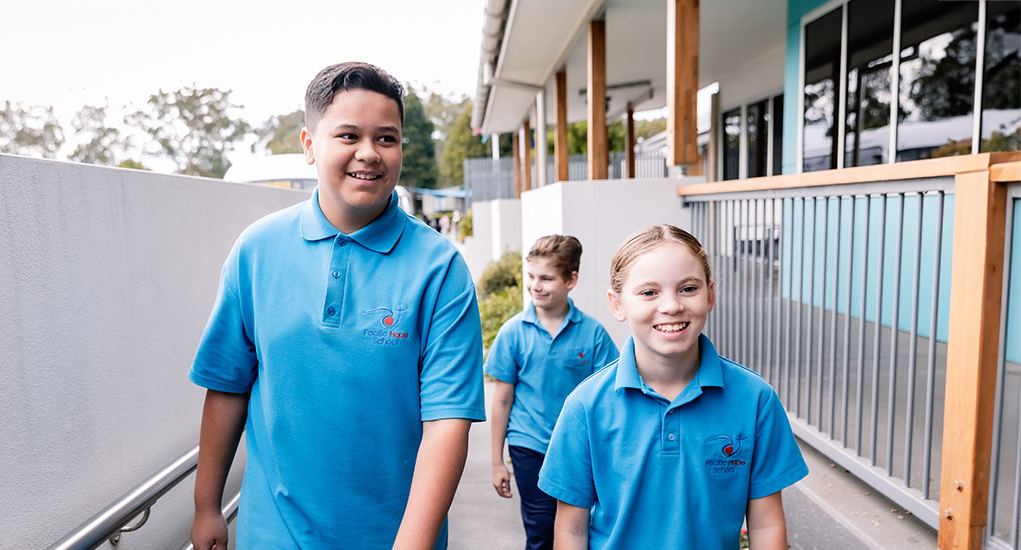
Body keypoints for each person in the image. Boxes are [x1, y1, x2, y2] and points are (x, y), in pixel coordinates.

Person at [188, 62, 485, 550]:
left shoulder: (440, 269)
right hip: (271, 533)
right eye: (348, 135)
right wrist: (206, 508)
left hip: (395, 535)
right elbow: (227, 387)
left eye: (386, 139)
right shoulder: (256, 251)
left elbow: (447, 424)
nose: (368, 153)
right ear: (310, 144)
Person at [538, 225, 807, 550]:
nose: (671, 305)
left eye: (688, 288)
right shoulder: (585, 406)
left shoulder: (756, 400)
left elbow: (766, 525)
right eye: (649, 292)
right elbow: (570, 531)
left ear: (710, 295)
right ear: (617, 304)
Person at [486, 235, 619, 550]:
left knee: (580, 527)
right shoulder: (513, 333)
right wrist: (496, 462)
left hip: (577, 448)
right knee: (542, 529)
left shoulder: (593, 334)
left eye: (546, 278)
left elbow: (608, 399)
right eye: (531, 276)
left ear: (571, 279)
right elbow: (502, 399)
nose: (536, 285)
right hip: (528, 444)